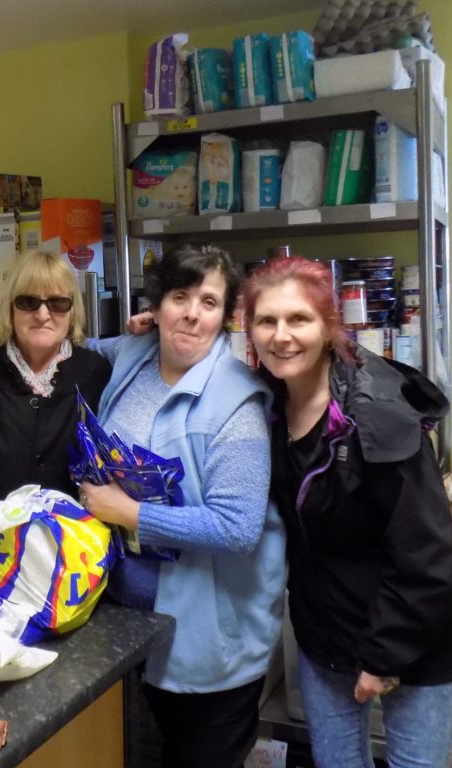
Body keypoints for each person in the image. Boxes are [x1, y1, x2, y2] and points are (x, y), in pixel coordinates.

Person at [242, 255, 452, 768]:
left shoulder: (377, 415)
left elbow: (429, 564)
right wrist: (144, 335)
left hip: (415, 641)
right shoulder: (271, 403)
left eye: (298, 319)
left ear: (328, 327)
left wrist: (382, 658)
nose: (281, 336)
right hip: (326, 639)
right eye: (266, 320)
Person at [79, 243, 287, 768]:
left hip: (208, 640)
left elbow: (238, 528)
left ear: (226, 316)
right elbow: (81, 349)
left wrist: (129, 514)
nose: (193, 313)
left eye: (209, 302)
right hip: (130, 623)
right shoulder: (135, 355)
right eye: (179, 297)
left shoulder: (235, 403)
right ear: (157, 304)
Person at [0, 251, 111, 550]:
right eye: (28, 302)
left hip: (71, 562)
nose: (43, 314)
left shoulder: (97, 375)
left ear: (73, 310)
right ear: (9, 308)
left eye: (57, 302)